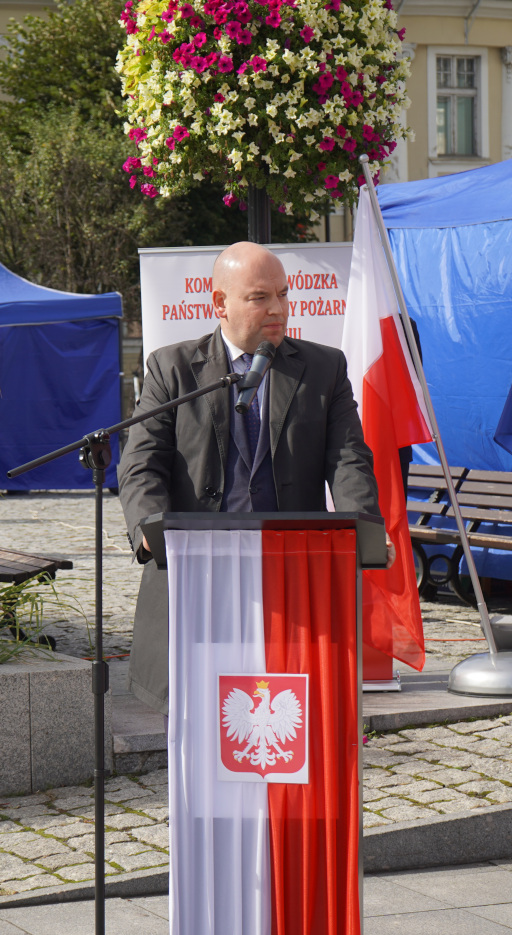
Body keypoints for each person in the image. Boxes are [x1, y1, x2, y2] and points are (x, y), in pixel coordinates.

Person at [118, 242, 382, 714]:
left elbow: (348, 460)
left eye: (283, 294)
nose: (278, 308)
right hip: (197, 573)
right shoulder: (171, 368)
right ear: (220, 303)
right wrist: (149, 530)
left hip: (291, 576)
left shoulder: (324, 368)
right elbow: (141, 462)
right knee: (200, 713)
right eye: (260, 297)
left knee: (285, 716)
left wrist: (361, 528)